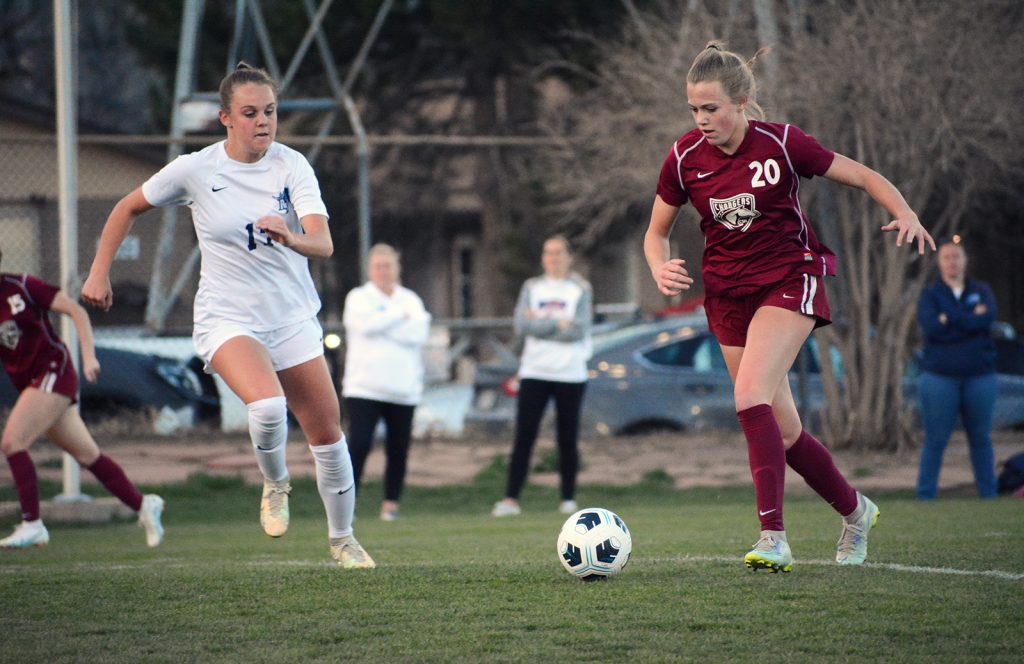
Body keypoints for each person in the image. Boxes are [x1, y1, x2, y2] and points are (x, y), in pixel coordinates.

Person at [643, 42, 935, 572]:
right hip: (727, 295)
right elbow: (655, 233)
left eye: (711, 108)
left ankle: (773, 536)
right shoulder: (684, 157)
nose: (701, 119)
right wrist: (659, 266)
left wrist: (906, 212)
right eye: (693, 109)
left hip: (788, 278)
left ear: (741, 102)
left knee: (749, 396)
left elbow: (864, 176)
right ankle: (856, 511)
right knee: (783, 432)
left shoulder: (781, 143)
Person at [81, 62, 374, 569]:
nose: (263, 122)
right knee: (267, 407)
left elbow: (322, 243)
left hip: (291, 318)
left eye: (270, 112)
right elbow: (126, 207)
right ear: (225, 118)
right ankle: (276, 483)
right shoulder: (196, 169)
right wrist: (98, 273)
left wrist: (291, 237)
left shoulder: (291, 166)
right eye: (250, 113)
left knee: (328, 437)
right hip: (228, 319)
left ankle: (343, 540)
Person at [0, 256, 164, 549]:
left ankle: (32, 524)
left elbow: (76, 311)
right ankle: (143, 504)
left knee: (13, 443)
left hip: (53, 372)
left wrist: (88, 358)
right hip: (33, 384)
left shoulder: (22, 286)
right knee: (88, 455)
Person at [493, 235, 592, 518]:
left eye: (559, 252)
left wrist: (540, 321)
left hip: (570, 373)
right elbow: (522, 327)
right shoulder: (532, 287)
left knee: (567, 438)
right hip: (535, 371)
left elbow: (579, 329)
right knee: (524, 436)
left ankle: (568, 498)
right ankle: (511, 499)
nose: (553, 258)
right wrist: (558, 323)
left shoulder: (580, 288)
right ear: (542, 257)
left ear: (568, 257)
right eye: (548, 252)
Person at [342, 243, 431, 522]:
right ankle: (346, 505)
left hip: (404, 389)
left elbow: (418, 334)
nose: (383, 271)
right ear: (370, 269)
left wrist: (384, 322)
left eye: (388, 266)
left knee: (398, 449)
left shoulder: (410, 299)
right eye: (378, 266)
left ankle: (391, 504)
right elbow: (365, 327)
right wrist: (397, 317)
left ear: (397, 268)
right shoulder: (358, 298)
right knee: (359, 445)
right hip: (364, 387)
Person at [916, 238, 998, 500]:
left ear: (965, 260)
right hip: (940, 377)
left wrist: (949, 318)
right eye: (947, 257)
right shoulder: (930, 295)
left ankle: (989, 495)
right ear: (939, 262)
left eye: (957, 256)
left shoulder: (981, 290)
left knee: (981, 438)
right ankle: (925, 496)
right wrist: (969, 318)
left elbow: (987, 321)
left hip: (980, 376)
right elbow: (931, 328)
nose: (952, 262)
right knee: (935, 439)